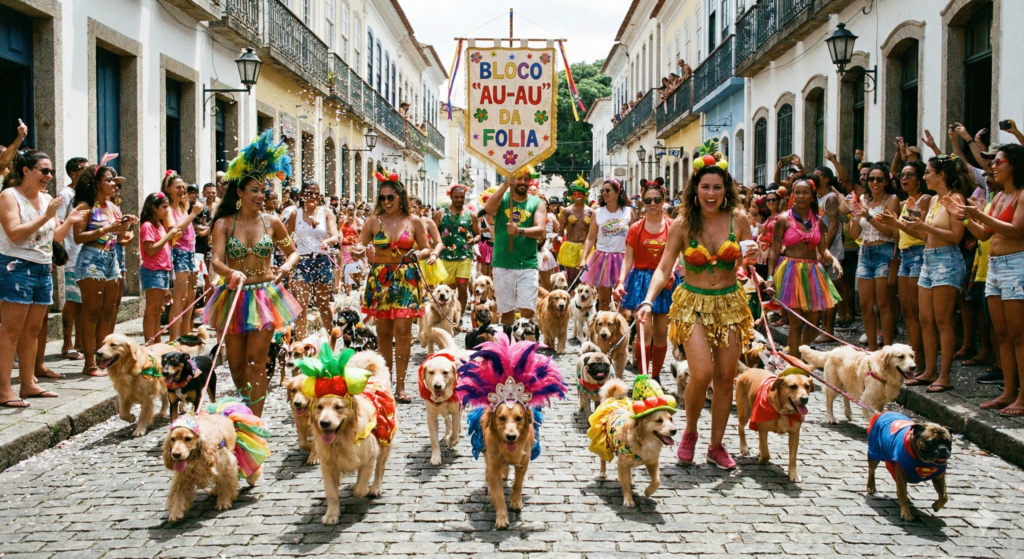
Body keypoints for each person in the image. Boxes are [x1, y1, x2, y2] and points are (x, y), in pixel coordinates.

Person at [638, 159, 755, 470]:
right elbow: (664, 267)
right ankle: (689, 431)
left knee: (726, 378)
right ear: (695, 191)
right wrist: (648, 300)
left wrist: (754, 262)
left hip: (730, 304)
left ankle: (716, 446)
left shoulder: (739, 219)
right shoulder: (682, 224)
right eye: (705, 187)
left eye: (717, 187)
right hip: (693, 303)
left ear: (726, 189)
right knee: (701, 373)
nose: (711, 193)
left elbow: (749, 260)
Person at [204, 130, 301, 417]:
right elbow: (216, 260)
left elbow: (292, 251)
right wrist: (231, 272)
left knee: (256, 361)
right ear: (240, 193)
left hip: (264, 295)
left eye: (264, 191)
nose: (261, 196)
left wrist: (284, 266)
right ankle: (245, 408)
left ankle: (253, 421)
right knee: (235, 365)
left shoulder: (272, 222)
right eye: (255, 190)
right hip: (232, 296)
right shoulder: (223, 224)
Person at [0, 151, 85, 407]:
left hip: (42, 267)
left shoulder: (47, 198)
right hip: (15, 267)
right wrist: (47, 216)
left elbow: (54, 237)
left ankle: (28, 383)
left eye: (51, 171)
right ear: (26, 171)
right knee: (11, 330)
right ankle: (4, 389)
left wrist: (68, 221)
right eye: (44, 171)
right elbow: (14, 234)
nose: (49, 176)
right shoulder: (9, 196)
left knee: (33, 330)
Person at [881, 155, 969, 393]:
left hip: (947, 260)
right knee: (925, 319)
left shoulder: (956, 198)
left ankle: (944, 375)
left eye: (928, 172)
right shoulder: (936, 201)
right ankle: (929, 370)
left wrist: (924, 226)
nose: (925, 176)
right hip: (929, 259)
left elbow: (956, 237)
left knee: (943, 321)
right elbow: (924, 236)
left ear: (941, 175)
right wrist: (900, 224)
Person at [953, 144, 1024, 413]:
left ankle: (1022, 396)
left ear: (1014, 165)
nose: (993, 165)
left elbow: (1017, 230)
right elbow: (984, 234)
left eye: (999, 161)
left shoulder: (1022, 195)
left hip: (1017, 266)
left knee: (1019, 335)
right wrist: (965, 216)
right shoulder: (998, 197)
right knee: (1001, 334)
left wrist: (978, 214)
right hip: (994, 267)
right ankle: (1008, 392)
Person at [353, 171, 433, 403]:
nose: (386, 202)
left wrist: (418, 253)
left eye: (390, 197)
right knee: (384, 334)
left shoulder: (414, 221)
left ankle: (400, 386)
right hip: (380, 279)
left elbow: (426, 248)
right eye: (382, 198)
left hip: (406, 279)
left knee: (403, 334)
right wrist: (358, 250)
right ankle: (384, 384)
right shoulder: (373, 222)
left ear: (400, 197)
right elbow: (359, 245)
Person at [767, 176, 842, 357]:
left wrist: (834, 260)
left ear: (812, 195)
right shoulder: (784, 219)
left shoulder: (819, 220)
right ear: (793, 195)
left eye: (805, 193)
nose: (801, 196)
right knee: (796, 322)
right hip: (790, 272)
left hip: (812, 272)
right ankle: (794, 362)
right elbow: (774, 250)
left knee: (813, 321)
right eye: (798, 192)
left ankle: (802, 352)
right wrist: (769, 278)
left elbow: (822, 249)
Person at [72, 164, 134, 377]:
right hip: (91, 259)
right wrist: (106, 229)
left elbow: (117, 238)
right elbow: (78, 237)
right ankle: (89, 363)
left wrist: (124, 228)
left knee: (108, 311)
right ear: (97, 182)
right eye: (109, 180)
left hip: (110, 258)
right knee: (91, 312)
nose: (114, 184)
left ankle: (105, 359)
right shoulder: (86, 205)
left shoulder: (113, 207)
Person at [614, 178, 675, 380]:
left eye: (657, 199)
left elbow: (676, 255)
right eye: (648, 200)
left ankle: (655, 376)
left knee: (660, 333)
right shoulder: (635, 229)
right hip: (641, 281)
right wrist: (621, 282)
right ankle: (643, 377)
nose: (653, 204)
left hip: (665, 282)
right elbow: (627, 260)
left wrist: (673, 270)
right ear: (642, 202)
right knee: (643, 331)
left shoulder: (673, 227)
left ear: (664, 199)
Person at [483, 167, 548, 324]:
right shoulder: (503, 199)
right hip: (503, 263)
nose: (523, 182)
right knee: (506, 312)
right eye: (519, 178)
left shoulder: (537, 203)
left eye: (526, 179)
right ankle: (509, 346)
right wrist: (505, 185)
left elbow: (540, 230)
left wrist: (519, 231)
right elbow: (488, 209)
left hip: (527, 264)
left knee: (527, 311)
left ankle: (524, 346)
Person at [881, 160, 930, 364]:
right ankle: (913, 357)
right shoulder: (902, 203)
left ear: (920, 179)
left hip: (919, 253)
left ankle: (921, 359)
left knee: (918, 311)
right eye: (902, 175)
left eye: (910, 175)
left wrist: (897, 222)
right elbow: (897, 233)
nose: (904, 179)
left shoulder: (925, 199)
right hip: (904, 255)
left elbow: (920, 231)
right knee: (908, 310)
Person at [848, 163, 900, 350]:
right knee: (865, 304)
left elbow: (891, 233)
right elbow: (854, 234)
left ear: (886, 181)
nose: (875, 182)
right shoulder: (863, 198)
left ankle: (887, 347)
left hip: (883, 252)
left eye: (879, 179)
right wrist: (855, 215)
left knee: (884, 304)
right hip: (865, 253)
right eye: (871, 179)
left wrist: (868, 217)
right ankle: (871, 347)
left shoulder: (891, 200)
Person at [286, 181, 338, 340]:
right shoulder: (296, 214)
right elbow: (286, 237)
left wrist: (327, 242)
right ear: (302, 195)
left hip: (322, 261)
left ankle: (331, 340)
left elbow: (335, 235)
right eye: (309, 193)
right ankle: (300, 345)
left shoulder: (327, 213)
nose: (313, 197)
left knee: (323, 305)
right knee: (301, 307)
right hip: (302, 262)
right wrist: (290, 253)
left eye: (316, 193)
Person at [161, 171, 203, 340]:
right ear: (168, 188)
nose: (182, 190)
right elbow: (176, 231)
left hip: (191, 254)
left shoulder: (182, 206)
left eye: (183, 187)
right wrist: (194, 214)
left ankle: (184, 336)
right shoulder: (169, 209)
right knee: (180, 298)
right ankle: (173, 339)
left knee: (191, 299)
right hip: (179, 254)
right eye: (177, 187)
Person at [581, 178, 633, 311]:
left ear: (617, 192)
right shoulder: (598, 213)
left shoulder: (628, 212)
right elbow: (590, 238)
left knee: (621, 299)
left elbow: (634, 238)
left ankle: (620, 328)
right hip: (602, 259)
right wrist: (583, 259)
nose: (604, 193)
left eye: (608, 190)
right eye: (602, 190)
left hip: (623, 258)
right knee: (603, 300)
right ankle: (601, 328)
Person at [57, 156, 89, 361]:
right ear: (73, 172)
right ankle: (67, 343)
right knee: (72, 300)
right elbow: (58, 222)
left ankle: (80, 342)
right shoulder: (66, 194)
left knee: (84, 301)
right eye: (84, 170)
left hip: (87, 255)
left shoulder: (85, 194)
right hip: (73, 254)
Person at [139, 192, 181, 343]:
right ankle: (150, 342)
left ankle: (156, 341)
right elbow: (150, 249)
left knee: (158, 310)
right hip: (152, 270)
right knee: (152, 310)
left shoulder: (159, 225)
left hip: (163, 271)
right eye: (164, 207)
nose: (167, 210)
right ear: (154, 208)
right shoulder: (148, 226)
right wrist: (168, 237)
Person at [434, 184, 478, 314]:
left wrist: (474, 240)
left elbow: (478, 233)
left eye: (461, 197)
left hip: (464, 255)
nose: (459, 199)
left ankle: (459, 314)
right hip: (444, 256)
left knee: (463, 286)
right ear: (451, 197)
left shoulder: (471, 215)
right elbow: (433, 232)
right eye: (456, 197)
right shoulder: (440, 214)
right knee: (446, 288)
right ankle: (446, 313)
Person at [558, 176, 593, 289]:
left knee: (584, 277)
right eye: (575, 194)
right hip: (571, 246)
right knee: (572, 277)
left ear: (585, 195)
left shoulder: (591, 211)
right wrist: (558, 237)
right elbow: (561, 228)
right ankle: (571, 299)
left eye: (580, 194)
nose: (578, 196)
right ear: (572, 196)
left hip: (586, 247)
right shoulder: (566, 211)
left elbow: (594, 232)